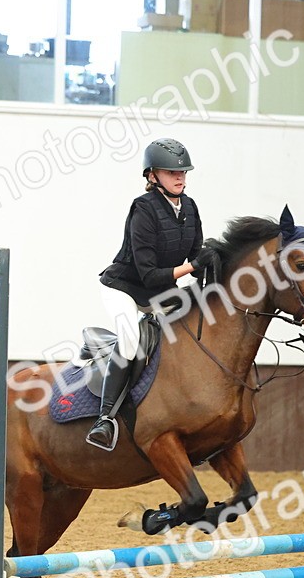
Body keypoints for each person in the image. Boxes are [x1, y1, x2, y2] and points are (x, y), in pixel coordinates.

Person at [86, 137, 218, 451]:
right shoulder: (142, 209)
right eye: (172, 172)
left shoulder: (189, 207)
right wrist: (192, 266)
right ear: (152, 175)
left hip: (161, 291)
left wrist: (212, 262)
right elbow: (148, 273)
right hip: (124, 288)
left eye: (182, 172)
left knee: (188, 332)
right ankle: (105, 419)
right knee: (131, 341)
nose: (179, 177)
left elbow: (195, 257)